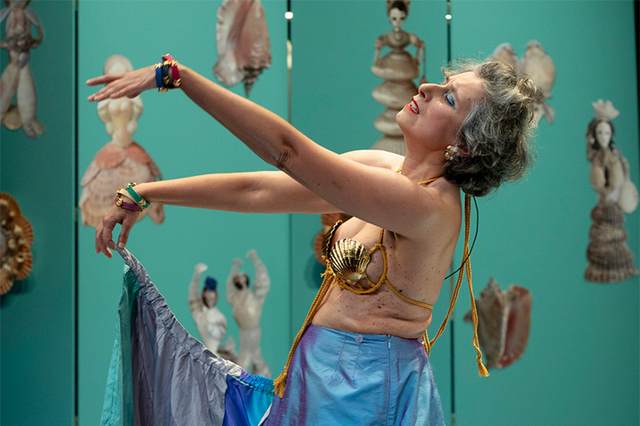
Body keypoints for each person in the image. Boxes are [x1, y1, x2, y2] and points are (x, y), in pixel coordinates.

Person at [88, 56, 540, 425]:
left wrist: (179, 77)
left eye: (448, 97)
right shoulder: (387, 171)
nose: (426, 87)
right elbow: (257, 190)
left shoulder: (429, 206)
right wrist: (145, 192)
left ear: (465, 145)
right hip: (320, 378)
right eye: (442, 82)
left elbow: (287, 151)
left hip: (362, 394)